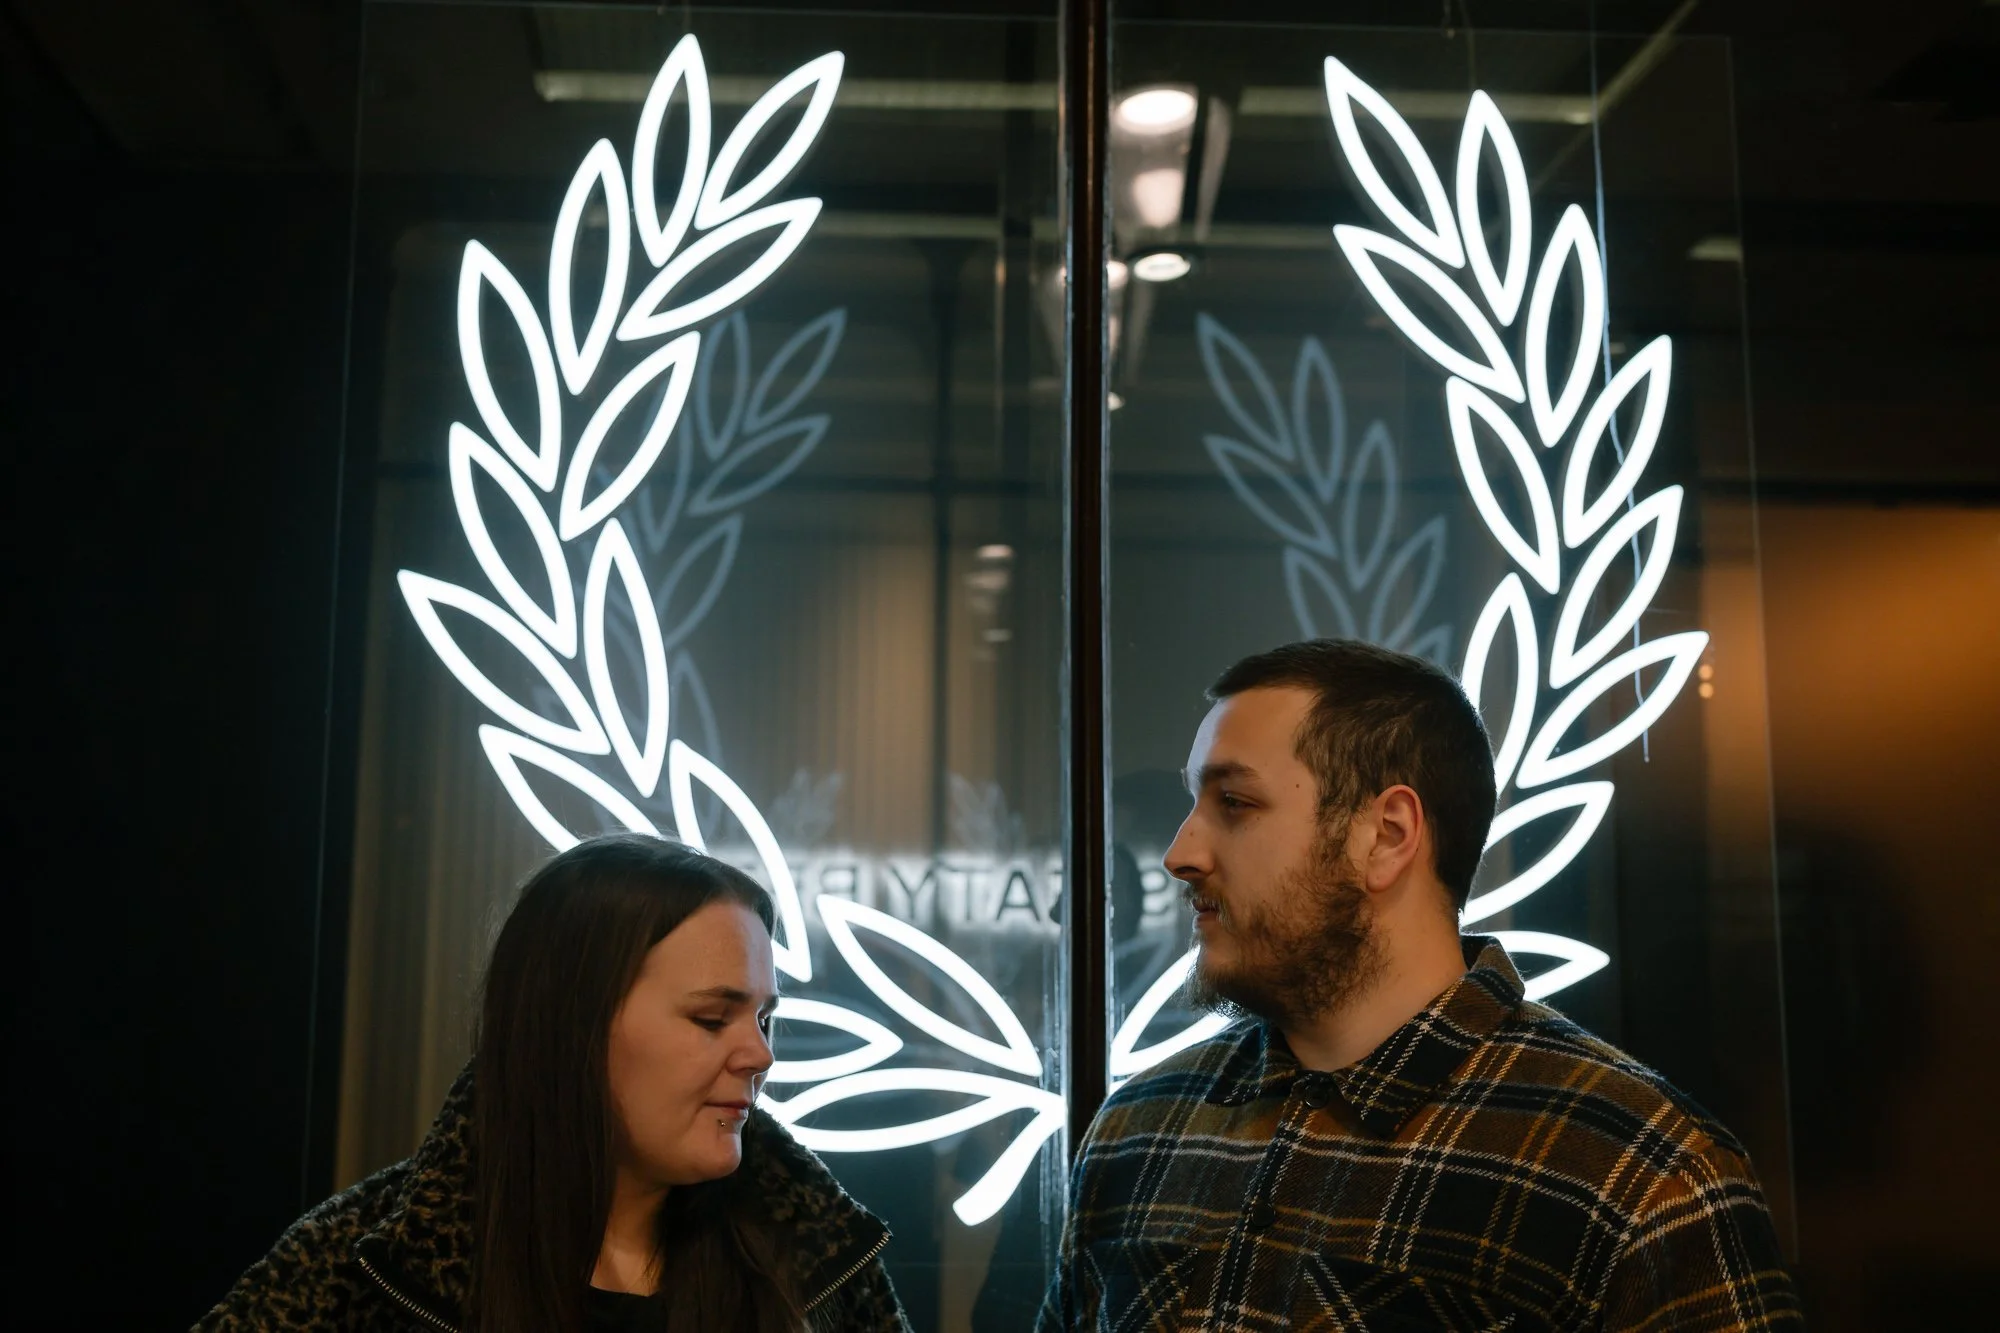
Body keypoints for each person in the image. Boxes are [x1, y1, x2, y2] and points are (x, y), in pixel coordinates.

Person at [1038, 640, 1800, 1331]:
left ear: (1387, 836)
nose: (1180, 851)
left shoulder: (1633, 1170)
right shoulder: (1139, 1128)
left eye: (1234, 802)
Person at [198, 834, 909, 1333]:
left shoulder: (820, 1260)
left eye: (762, 1017)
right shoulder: (358, 1268)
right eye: (711, 1017)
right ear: (572, 1023)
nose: (759, 1053)